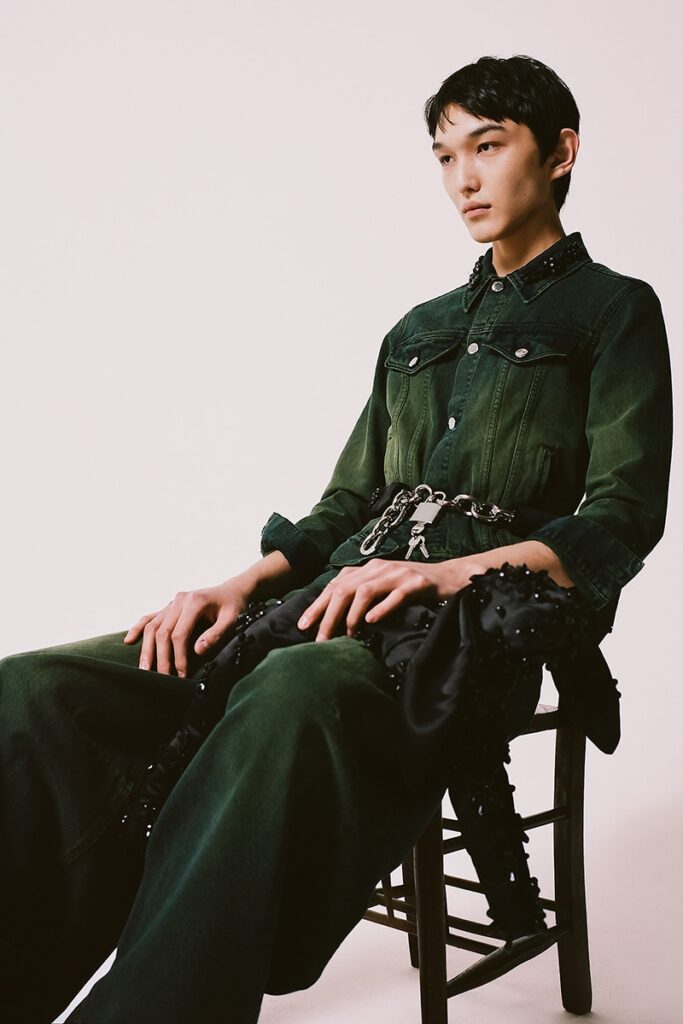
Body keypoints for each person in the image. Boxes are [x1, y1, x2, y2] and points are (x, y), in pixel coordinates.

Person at [0, 54, 672, 1024]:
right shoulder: (416, 331)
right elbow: (345, 503)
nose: (463, 179)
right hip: (320, 606)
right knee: (34, 692)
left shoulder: (612, 312)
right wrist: (236, 585)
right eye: (444, 156)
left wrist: (445, 574)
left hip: (465, 639)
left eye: (487, 147)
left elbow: (619, 519)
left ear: (559, 152)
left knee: (284, 693)